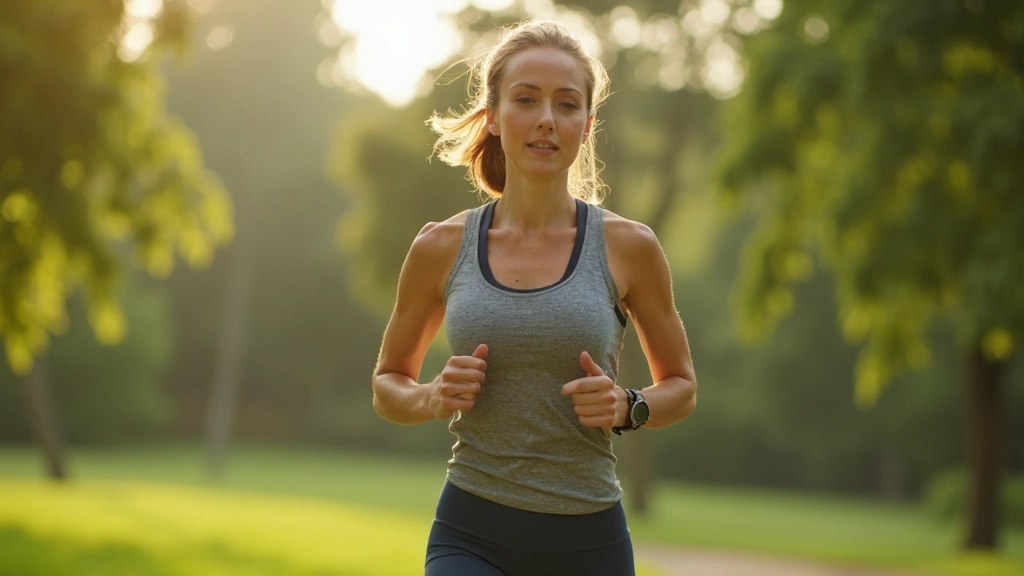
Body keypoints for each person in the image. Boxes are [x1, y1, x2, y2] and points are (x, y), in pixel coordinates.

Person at [371, 20, 697, 576]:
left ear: (586, 126)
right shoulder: (439, 246)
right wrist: (429, 396)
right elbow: (386, 384)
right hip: (471, 532)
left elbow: (682, 387)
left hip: (588, 540)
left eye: (567, 104)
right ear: (493, 116)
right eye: (526, 99)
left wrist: (627, 405)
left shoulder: (629, 247)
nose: (547, 118)